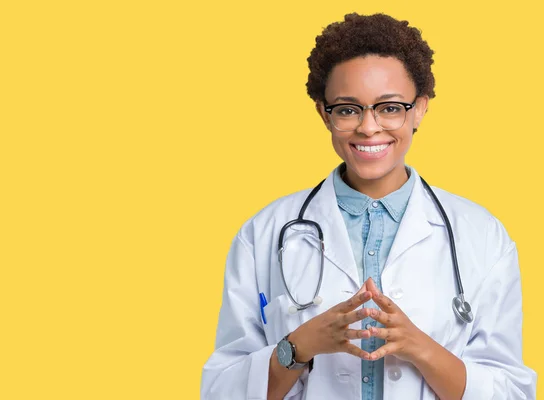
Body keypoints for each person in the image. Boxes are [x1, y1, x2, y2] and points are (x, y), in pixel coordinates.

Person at [201, 13, 536, 400]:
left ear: (420, 109)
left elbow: (512, 392)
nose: (368, 127)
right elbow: (221, 390)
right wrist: (299, 346)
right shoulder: (263, 234)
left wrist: (419, 347)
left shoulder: (483, 236)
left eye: (390, 107)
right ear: (323, 114)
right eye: (347, 109)